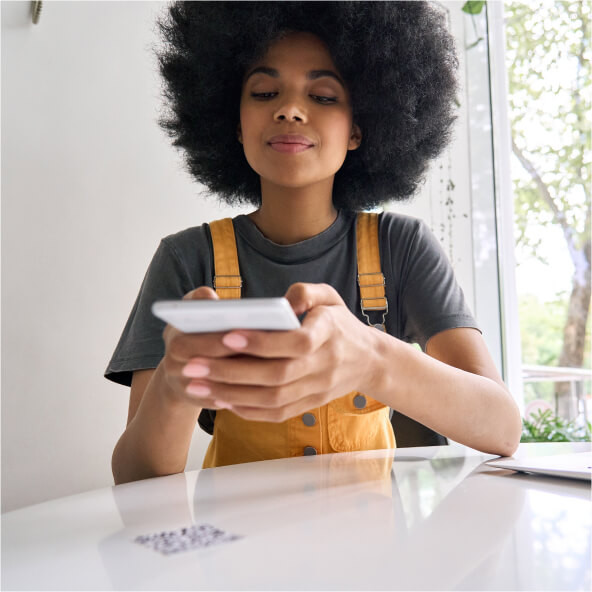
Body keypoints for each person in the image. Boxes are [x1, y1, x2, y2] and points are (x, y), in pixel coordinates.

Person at [106, 1, 522, 485]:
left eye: (323, 96)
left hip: (370, 556)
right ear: (234, 123)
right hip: (236, 554)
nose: (288, 109)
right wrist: (174, 388)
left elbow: (502, 428)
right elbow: (135, 479)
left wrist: (372, 358)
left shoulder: (401, 247)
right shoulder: (187, 259)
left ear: (359, 130)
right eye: (264, 92)